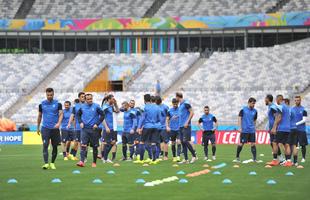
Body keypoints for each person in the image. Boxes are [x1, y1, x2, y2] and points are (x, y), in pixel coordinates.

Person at [37, 88, 63, 170]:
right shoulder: (42, 104)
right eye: (48, 95)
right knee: (45, 145)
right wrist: (38, 127)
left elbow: (61, 114)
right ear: (46, 94)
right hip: (45, 128)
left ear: (53, 94)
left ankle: (52, 163)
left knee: (55, 146)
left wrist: (58, 123)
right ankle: (46, 163)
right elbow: (40, 116)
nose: (49, 96)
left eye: (51, 95)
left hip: (55, 129)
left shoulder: (58, 104)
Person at [76, 94, 104, 167]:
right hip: (85, 129)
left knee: (94, 147)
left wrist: (97, 124)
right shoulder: (82, 107)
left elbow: (103, 115)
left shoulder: (96, 106)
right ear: (85, 100)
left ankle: (94, 162)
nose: (90, 100)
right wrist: (80, 122)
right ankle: (82, 161)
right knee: (83, 145)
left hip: (94, 129)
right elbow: (78, 115)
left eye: (91, 99)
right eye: (88, 99)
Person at [134, 94, 161, 164]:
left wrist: (139, 127)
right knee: (153, 143)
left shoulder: (145, 107)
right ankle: (154, 160)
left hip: (147, 126)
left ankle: (141, 159)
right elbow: (159, 118)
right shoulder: (157, 107)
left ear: (144, 100)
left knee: (142, 142)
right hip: (155, 127)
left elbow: (142, 118)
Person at [268, 95, 293, 167]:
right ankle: (289, 161)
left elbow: (279, 117)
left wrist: (274, 127)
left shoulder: (280, 106)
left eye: (276, 99)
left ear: (279, 99)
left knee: (274, 142)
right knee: (286, 144)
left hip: (281, 128)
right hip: (288, 128)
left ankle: (275, 160)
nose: (276, 101)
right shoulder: (287, 107)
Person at [233, 97, 258, 163]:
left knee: (253, 144)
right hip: (244, 130)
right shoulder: (243, 110)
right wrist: (239, 127)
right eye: (252, 103)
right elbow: (239, 118)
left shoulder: (255, 111)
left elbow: (255, 120)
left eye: (254, 104)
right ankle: (237, 157)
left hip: (252, 130)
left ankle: (255, 159)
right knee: (241, 144)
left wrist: (254, 127)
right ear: (249, 102)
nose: (253, 105)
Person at [175, 92, 197, 164]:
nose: (175, 99)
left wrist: (187, 122)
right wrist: (177, 116)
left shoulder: (186, 103)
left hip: (186, 126)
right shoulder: (180, 105)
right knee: (182, 142)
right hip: (181, 126)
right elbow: (183, 114)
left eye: (176, 97)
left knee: (186, 141)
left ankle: (194, 156)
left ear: (178, 97)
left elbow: (192, 112)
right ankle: (186, 159)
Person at [265, 94, 284, 163]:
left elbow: (277, 117)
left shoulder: (273, 107)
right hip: (271, 127)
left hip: (274, 128)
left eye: (265, 99)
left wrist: (274, 127)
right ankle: (280, 158)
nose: (264, 100)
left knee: (274, 143)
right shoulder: (270, 106)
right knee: (272, 143)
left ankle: (279, 159)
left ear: (267, 99)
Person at [101, 94, 119, 163]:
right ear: (108, 99)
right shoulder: (105, 107)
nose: (113, 100)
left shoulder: (111, 106)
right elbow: (102, 117)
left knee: (113, 141)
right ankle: (104, 158)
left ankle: (105, 157)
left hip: (113, 127)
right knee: (106, 143)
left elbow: (117, 111)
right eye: (112, 99)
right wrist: (106, 127)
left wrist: (116, 104)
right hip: (108, 127)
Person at [68, 92, 85, 160]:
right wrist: (69, 123)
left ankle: (81, 156)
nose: (83, 97)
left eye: (84, 96)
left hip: (86, 127)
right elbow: (72, 115)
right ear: (79, 98)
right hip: (78, 127)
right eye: (82, 96)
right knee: (77, 142)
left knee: (83, 143)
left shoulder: (87, 105)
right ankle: (73, 154)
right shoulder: (76, 107)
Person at [291, 96, 308, 163]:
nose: (297, 101)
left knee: (302, 144)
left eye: (298, 100)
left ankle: (303, 157)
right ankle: (295, 158)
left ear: (300, 101)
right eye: (295, 100)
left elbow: (304, 120)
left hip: (301, 129)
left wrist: (296, 124)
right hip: (293, 130)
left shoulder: (304, 109)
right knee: (294, 144)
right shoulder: (292, 109)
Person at [166, 98, 181, 162]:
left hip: (179, 129)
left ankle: (178, 156)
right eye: (174, 104)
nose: (175, 105)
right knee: (173, 143)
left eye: (176, 104)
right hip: (172, 129)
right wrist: (167, 126)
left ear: (178, 103)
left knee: (179, 142)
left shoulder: (180, 110)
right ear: (172, 103)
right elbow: (167, 119)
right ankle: (174, 156)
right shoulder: (169, 111)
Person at [155, 96, 169, 160]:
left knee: (165, 141)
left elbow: (168, 117)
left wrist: (167, 125)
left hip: (164, 127)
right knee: (159, 142)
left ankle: (166, 156)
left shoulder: (165, 107)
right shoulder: (155, 107)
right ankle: (161, 154)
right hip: (157, 127)